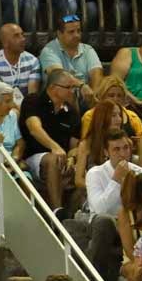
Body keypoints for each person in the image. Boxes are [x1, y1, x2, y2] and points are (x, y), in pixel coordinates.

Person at [22, 70, 83, 211]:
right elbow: (34, 129)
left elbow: (74, 145)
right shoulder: (33, 101)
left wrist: (72, 157)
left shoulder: (72, 113)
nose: (72, 92)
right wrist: (55, 147)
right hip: (35, 157)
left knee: (82, 168)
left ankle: (74, 214)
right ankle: (57, 211)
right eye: (69, 87)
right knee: (52, 159)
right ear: (53, 88)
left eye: (74, 88)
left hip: (63, 157)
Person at [0, 23, 41, 97]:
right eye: (16, 36)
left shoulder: (32, 61)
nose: (23, 39)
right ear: (5, 43)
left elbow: (32, 95)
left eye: (22, 35)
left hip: (26, 105)